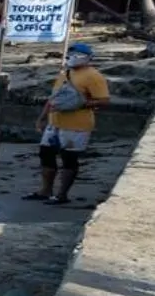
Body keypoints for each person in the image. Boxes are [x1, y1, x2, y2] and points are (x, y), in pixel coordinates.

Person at [27, 42, 111, 205]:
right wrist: (42, 117)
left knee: (69, 158)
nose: (72, 58)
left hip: (77, 125)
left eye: (77, 55)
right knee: (46, 154)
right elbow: (54, 99)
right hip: (55, 123)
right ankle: (45, 190)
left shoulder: (94, 76)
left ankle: (62, 195)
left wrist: (79, 104)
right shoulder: (64, 73)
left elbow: (104, 101)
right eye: (70, 54)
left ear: (87, 58)